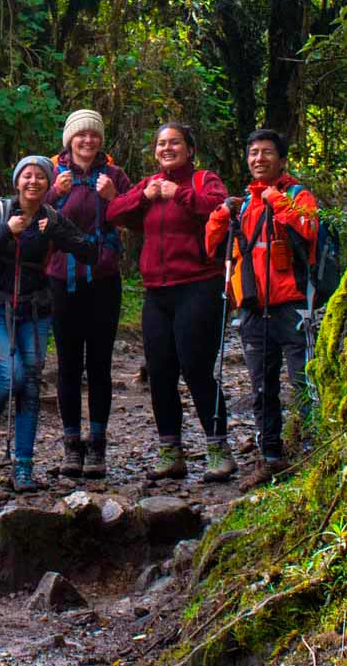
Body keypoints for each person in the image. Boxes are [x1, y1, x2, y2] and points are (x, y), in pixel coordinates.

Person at [106, 122, 234, 481]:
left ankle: (218, 449)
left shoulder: (203, 179)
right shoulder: (149, 184)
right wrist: (145, 196)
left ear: (189, 148)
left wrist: (177, 193)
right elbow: (114, 212)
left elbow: (217, 209)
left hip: (197, 286)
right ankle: (170, 452)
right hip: (156, 291)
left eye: (174, 142)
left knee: (196, 368)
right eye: (161, 143)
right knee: (160, 372)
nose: (167, 148)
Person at [0, 155, 98, 491]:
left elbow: (89, 252)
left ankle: (23, 466)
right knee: (14, 375)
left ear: (49, 182)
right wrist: (4, 232)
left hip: (35, 309)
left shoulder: (52, 218)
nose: (34, 182)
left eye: (40, 176)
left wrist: (58, 233)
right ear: (17, 180)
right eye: (27, 175)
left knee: (31, 385)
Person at [206, 128, 319, 476]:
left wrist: (275, 199)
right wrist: (222, 214)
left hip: (294, 305)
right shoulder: (243, 204)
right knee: (261, 386)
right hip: (253, 307)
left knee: (304, 380)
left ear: (281, 160)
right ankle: (269, 453)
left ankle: (315, 447)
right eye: (253, 152)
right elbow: (211, 247)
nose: (259, 158)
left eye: (267, 152)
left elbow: (308, 227)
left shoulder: (299, 195)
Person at [46, 109, 132, 478]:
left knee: (99, 363)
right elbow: (31, 214)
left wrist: (114, 198)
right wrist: (54, 192)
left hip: (103, 277)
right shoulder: (53, 173)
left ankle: (97, 446)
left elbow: (132, 219)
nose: (87, 141)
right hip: (61, 278)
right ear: (69, 140)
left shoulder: (114, 175)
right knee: (67, 364)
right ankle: (71, 446)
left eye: (93, 135)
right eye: (80, 135)